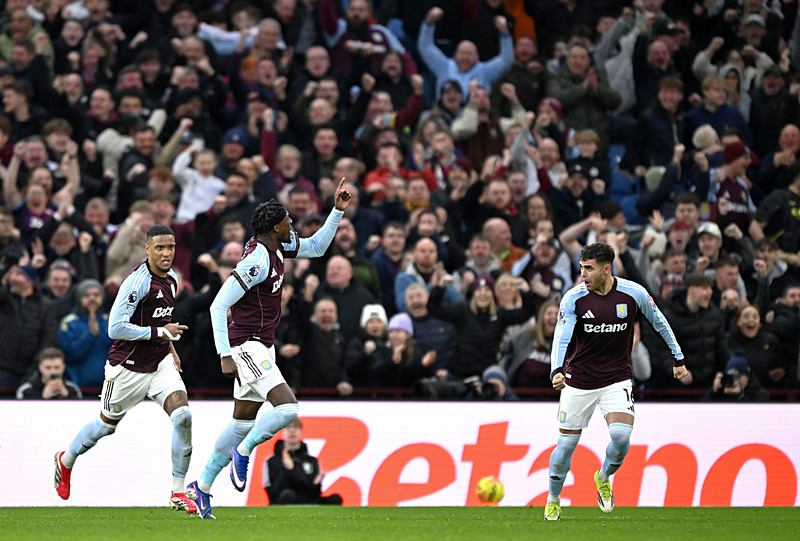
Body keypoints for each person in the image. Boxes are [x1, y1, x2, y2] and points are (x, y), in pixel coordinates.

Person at [188, 178, 351, 519]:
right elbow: (218, 305)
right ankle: (244, 452)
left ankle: (201, 486)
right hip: (246, 347)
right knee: (288, 409)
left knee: (240, 425)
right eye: (288, 220)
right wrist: (225, 354)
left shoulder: (277, 245)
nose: (292, 224)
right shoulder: (257, 261)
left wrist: (337, 211)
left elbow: (317, 247)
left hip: (262, 346)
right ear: (276, 227)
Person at [53, 225, 196, 515]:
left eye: (170, 247)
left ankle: (177, 492)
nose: (166, 253)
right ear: (147, 249)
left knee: (183, 416)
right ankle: (65, 460)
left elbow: (161, 320)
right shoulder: (136, 283)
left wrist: (170, 347)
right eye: (159, 247)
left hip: (159, 363)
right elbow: (115, 328)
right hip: (127, 367)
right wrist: (160, 334)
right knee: (105, 426)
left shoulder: (171, 279)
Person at [544, 243, 687, 521]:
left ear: (606, 269)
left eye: (589, 268)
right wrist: (556, 370)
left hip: (616, 377)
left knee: (621, 437)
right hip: (578, 380)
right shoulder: (573, 298)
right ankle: (553, 499)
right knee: (565, 447)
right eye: (581, 267)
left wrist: (678, 357)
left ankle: (603, 477)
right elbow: (561, 337)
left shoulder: (634, 293)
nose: (583, 274)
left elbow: (660, 322)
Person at [264, 418, 343, 505]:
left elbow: (314, 495)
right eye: (288, 427)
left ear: (301, 431)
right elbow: (272, 493)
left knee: (335, 498)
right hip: (283, 502)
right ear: (282, 433)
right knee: (288, 494)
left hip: (307, 502)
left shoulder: (312, 461)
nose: (292, 430)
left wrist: (316, 484)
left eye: (296, 427)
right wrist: (287, 470)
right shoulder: (271, 461)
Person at [16, 347, 82, 400]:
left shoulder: (73, 389)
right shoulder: (26, 391)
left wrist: (67, 398)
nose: (53, 372)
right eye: (48, 368)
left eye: (57, 367)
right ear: (40, 368)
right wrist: (43, 398)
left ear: (63, 368)